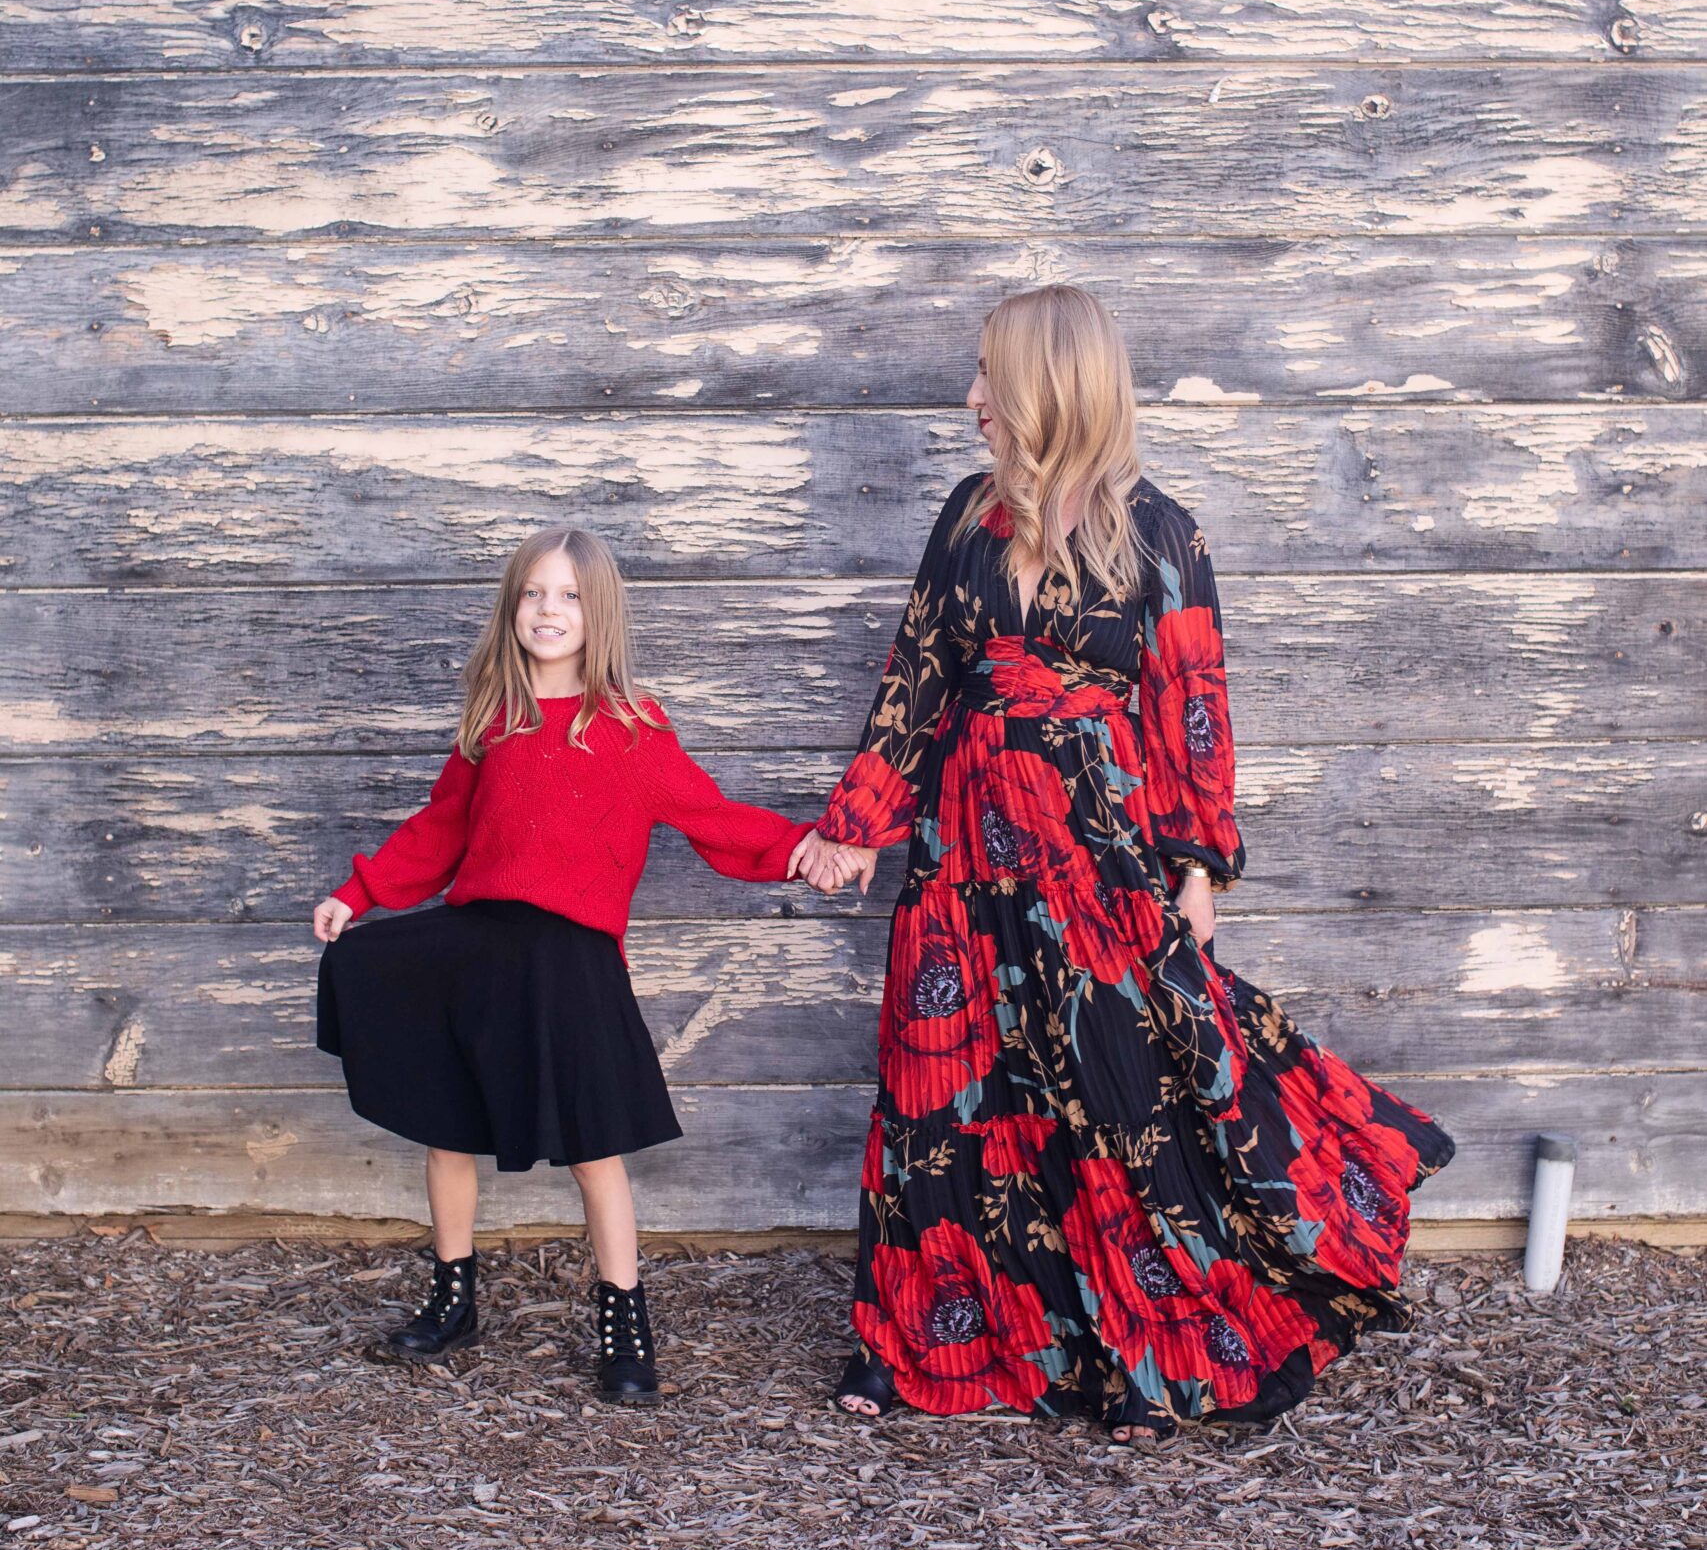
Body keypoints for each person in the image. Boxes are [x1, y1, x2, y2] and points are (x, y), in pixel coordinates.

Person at [806, 284, 1455, 1441]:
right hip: (964, 857)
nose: (971, 401)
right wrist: (857, 823)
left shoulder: (1162, 532)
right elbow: (916, 680)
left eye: (987, 380)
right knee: (947, 1094)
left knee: (1118, 1099)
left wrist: (1198, 868)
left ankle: (1148, 1362)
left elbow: (1191, 710)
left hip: (1094, 862)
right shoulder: (968, 518)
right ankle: (920, 1350)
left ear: (1046, 388)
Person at [312, 527, 820, 1398]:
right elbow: (439, 830)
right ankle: (453, 1295)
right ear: (513, 608)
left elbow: (713, 819)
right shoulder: (493, 720)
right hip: (478, 952)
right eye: (534, 594)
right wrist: (359, 895)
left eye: (570, 597)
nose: (550, 611)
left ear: (599, 613)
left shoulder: (628, 726)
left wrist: (809, 848)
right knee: (447, 1128)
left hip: (571, 959)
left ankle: (624, 1324)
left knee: (595, 1150)